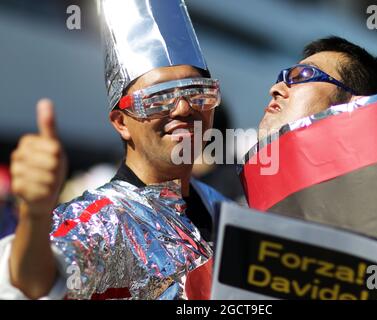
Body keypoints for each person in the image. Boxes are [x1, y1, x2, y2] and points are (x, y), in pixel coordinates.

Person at [0, 0, 226, 300]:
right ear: (121, 122)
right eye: (158, 99)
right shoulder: (104, 220)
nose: (183, 108)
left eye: (196, 93)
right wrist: (34, 214)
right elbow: (33, 283)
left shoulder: (224, 208)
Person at [241, 36, 377, 299]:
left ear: (355, 105)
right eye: (281, 76)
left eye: (301, 75)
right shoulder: (249, 210)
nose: (276, 87)